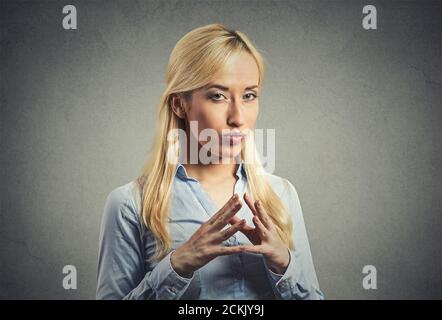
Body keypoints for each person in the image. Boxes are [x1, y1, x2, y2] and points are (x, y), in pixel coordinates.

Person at [96, 23, 324, 300]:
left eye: (249, 95)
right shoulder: (130, 205)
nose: (238, 117)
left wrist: (284, 265)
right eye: (218, 95)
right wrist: (177, 265)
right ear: (179, 104)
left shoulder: (281, 195)